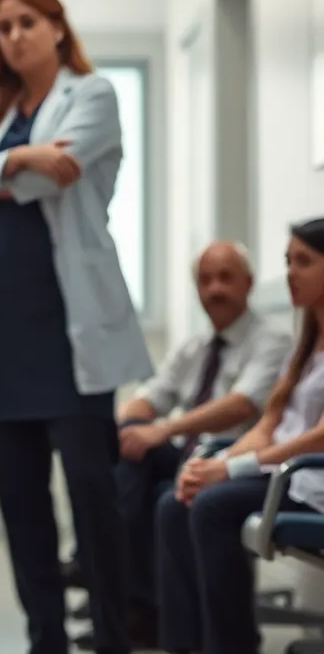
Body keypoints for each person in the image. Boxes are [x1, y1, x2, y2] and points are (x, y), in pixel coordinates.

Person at [0, 0, 153, 654]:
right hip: (5, 331)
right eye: (3, 27)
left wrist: (1, 173)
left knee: (93, 499)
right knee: (22, 505)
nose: (14, 36)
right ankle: (46, 640)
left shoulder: (92, 95)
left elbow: (48, 179)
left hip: (71, 330)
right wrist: (22, 156)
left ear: (58, 29)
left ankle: (114, 637)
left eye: (27, 22)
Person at [69, 240, 290, 650]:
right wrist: (129, 424)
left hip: (232, 456)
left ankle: (115, 585)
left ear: (249, 283)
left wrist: (162, 431)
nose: (215, 289)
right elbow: (152, 393)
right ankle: (122, 591)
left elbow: (242, 404)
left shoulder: (272, 340)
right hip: (188, 455)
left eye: (225, 278)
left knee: (161, 486)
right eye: (205, 280)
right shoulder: (194, 346)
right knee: (130, 450)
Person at [157, 217, 324, 654]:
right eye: (288, 261)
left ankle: (231, 646)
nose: (290, 273)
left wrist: (234, 468)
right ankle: (185, 643)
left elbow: (318, 439)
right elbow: (267, 427)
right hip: (286, 474)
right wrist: (216, 464)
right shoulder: (305, 342)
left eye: (303, 262)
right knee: (184, 497)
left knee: (211, 506)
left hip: (311, 482)